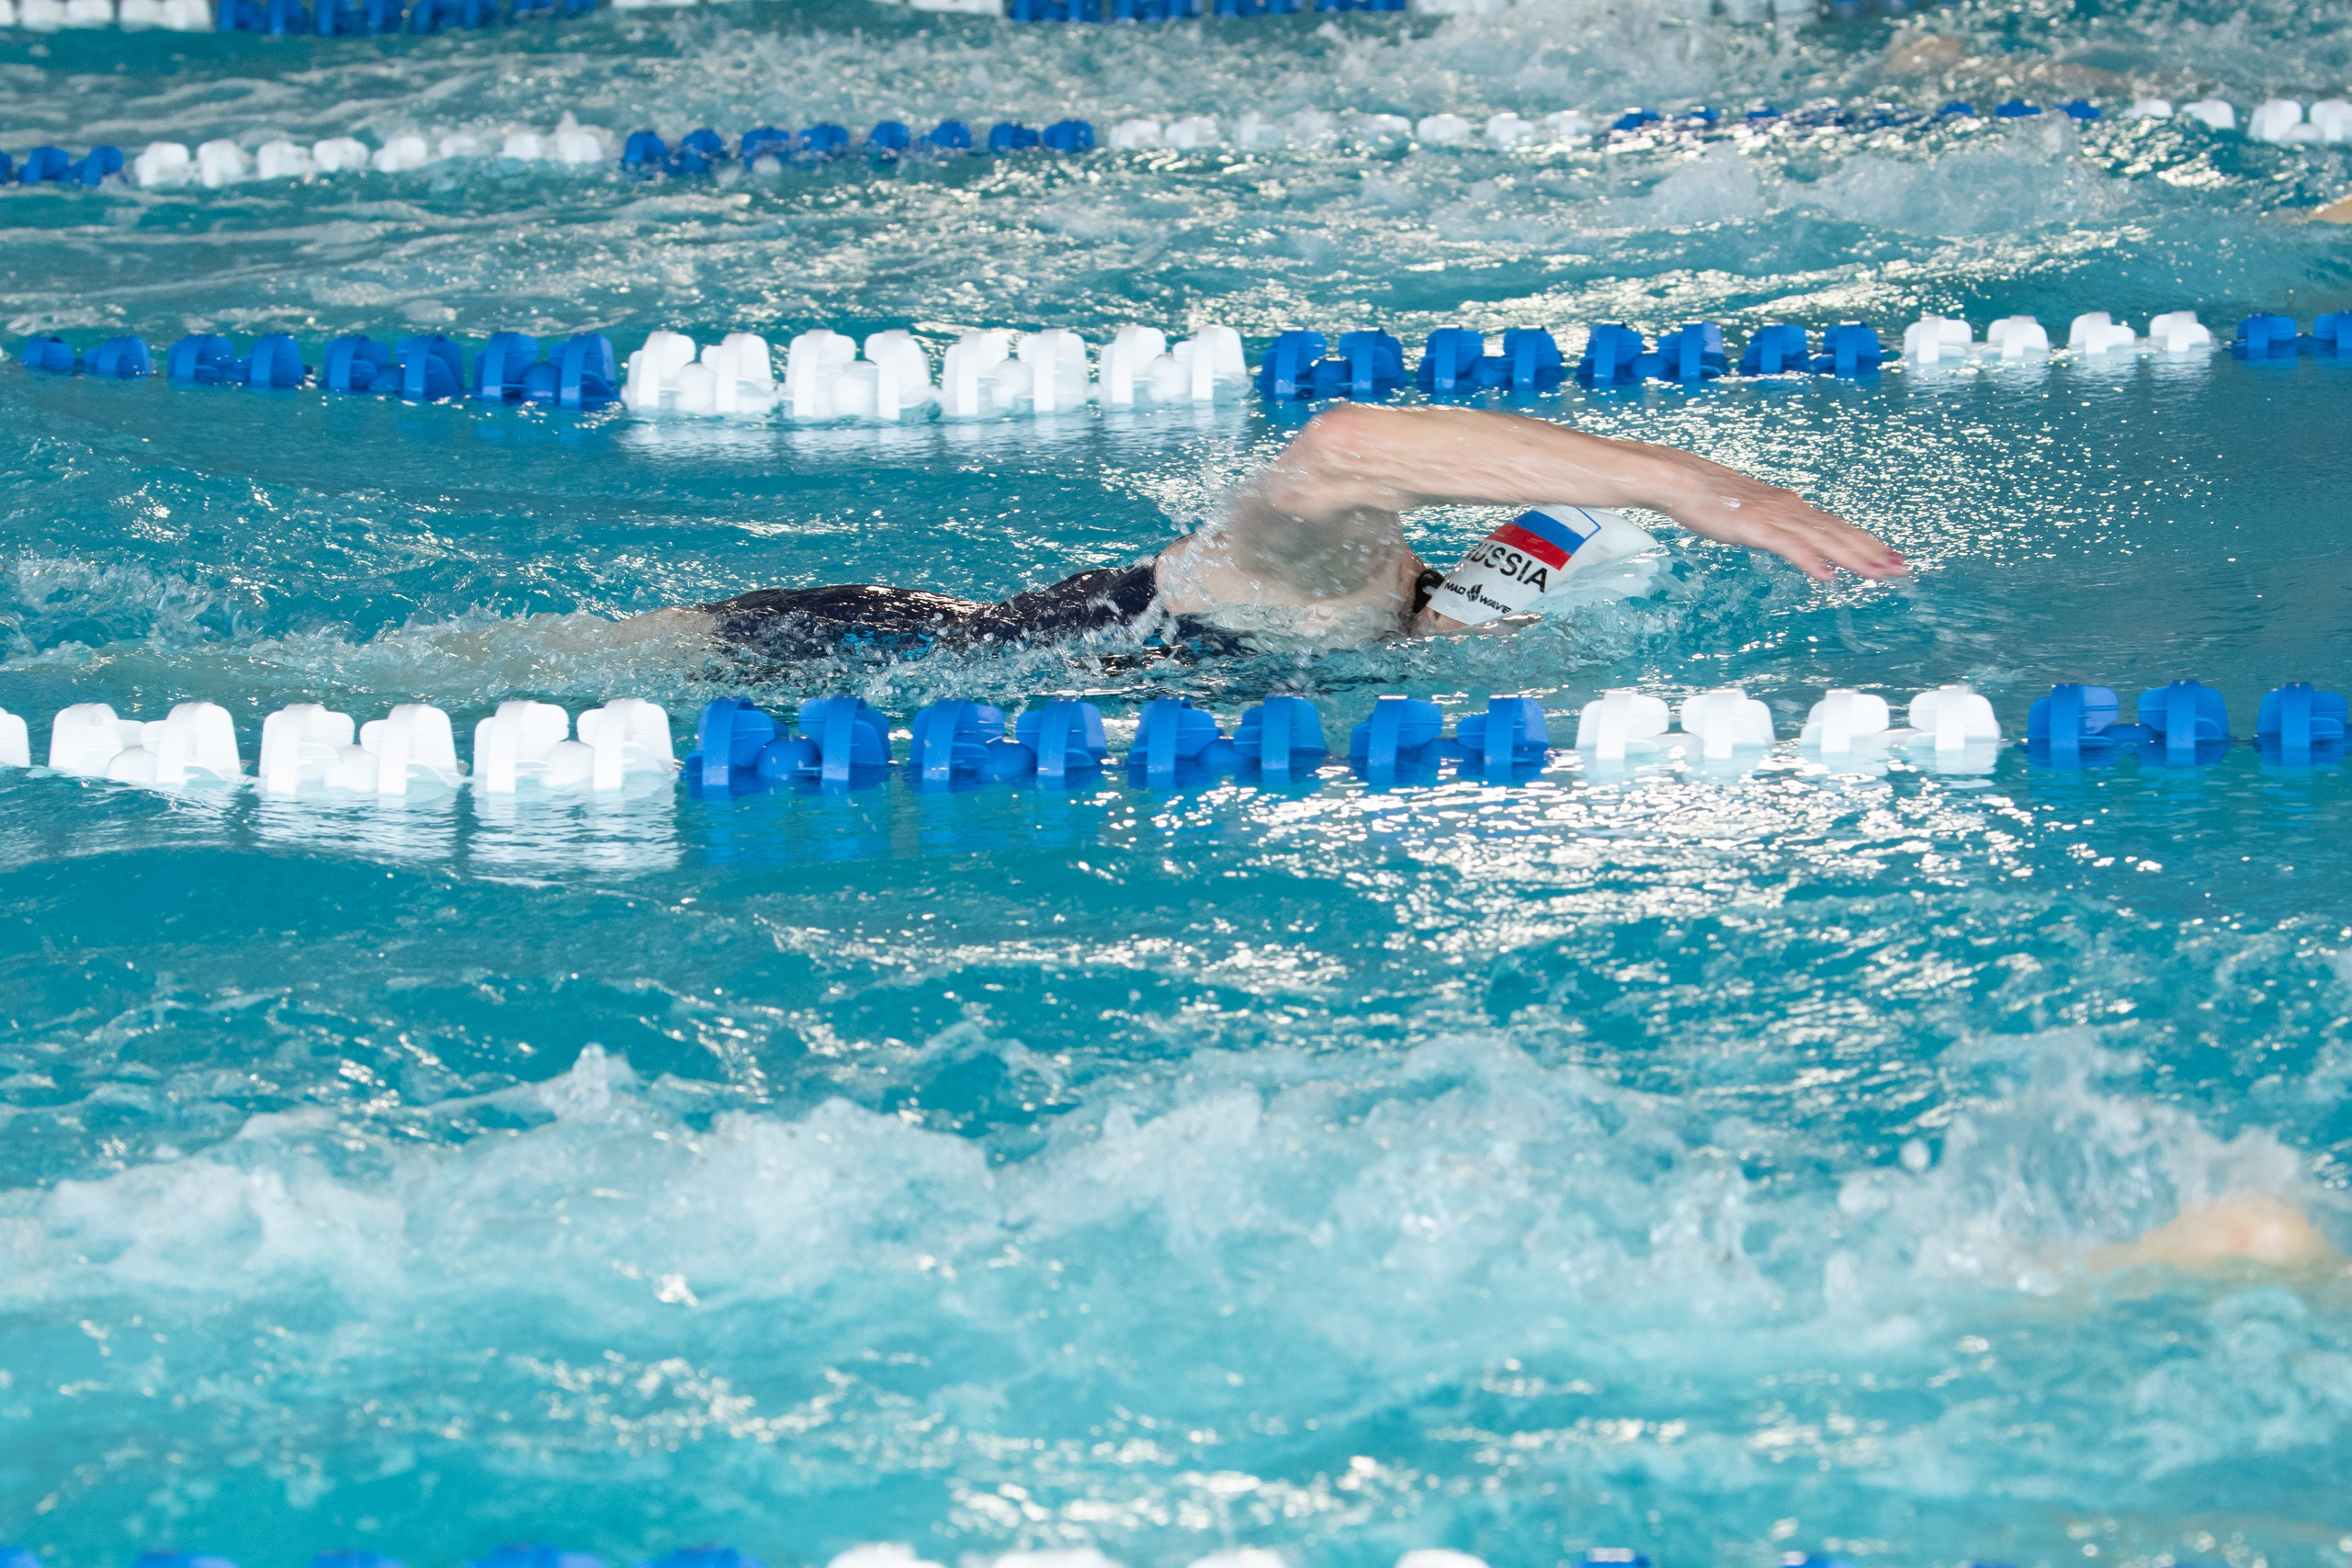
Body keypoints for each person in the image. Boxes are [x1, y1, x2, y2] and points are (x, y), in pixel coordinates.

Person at [690, 404, 1909, 660]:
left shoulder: (1412, 621)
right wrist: (1693, 486)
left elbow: (1528, 549)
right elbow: (1345, 447)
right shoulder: (1334, 583)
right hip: (838, 643)